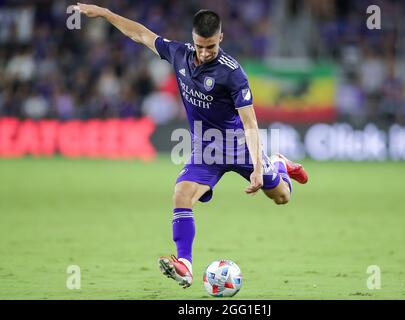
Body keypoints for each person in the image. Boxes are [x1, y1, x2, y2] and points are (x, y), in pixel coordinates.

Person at [76, 3, 308, 289]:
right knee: (181, 193)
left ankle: (279, 164)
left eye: (211, 46)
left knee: (282, 197)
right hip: (206, 148)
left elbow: (250, 124)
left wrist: (259, 168)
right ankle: (184, 264)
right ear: (193, 38)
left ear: (220, 38)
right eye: (200, 45)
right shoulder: (179, 54)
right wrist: (105, 14)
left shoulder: (233, 74)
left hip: (240, 147)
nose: (205, 52)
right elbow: (140, 34)